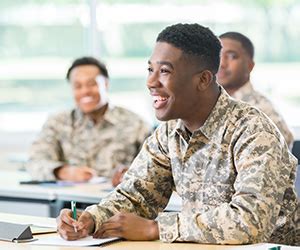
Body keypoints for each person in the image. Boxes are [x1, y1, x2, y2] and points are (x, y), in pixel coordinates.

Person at [57, 24, 299, 245]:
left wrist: (156, 229)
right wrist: (92, 218)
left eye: (164, 71)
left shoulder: (253, 130)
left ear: (203, 79)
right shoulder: (169, 132)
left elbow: (250, 221)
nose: (151, 82)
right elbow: (136, 194)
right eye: (150, 69)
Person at [26, 57, 151, 186]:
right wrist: (63, 172)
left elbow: (155, 169)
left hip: (121, 201)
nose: (85, 91)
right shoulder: (57, 123)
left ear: (106, 84)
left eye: (92, 84)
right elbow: (34, 162)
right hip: (70, 202)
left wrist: (131, 175)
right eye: (77, 86)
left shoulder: (136, 125)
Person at [217, 31, 294, 148]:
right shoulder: (208, 104)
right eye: (218, 55)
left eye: (232, 56)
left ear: (249, 66)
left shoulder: (264, 113)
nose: (222, 63)